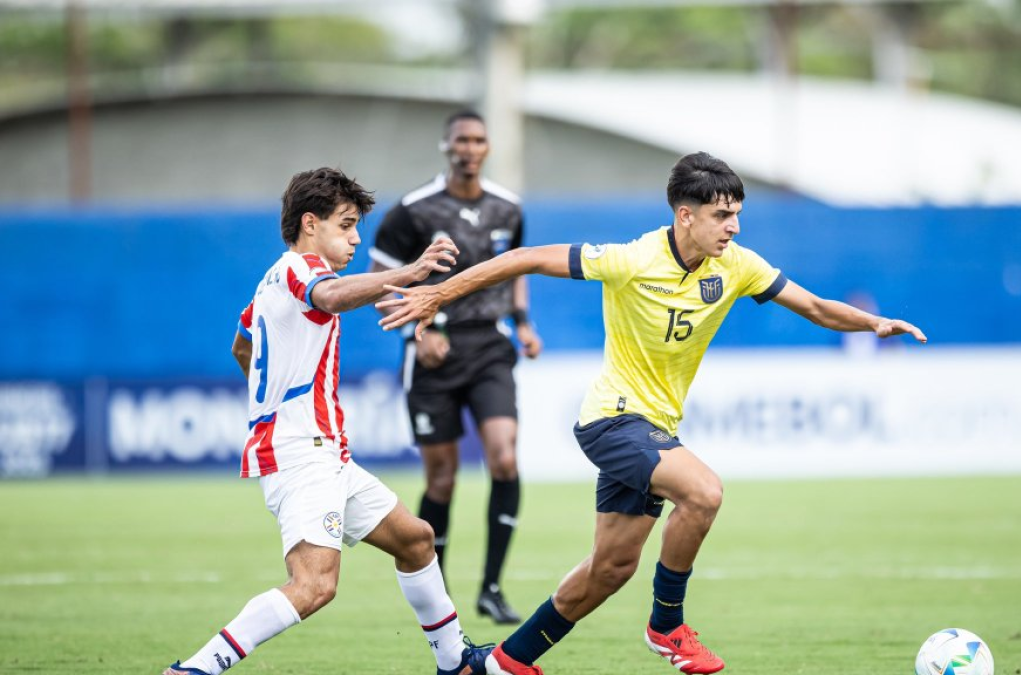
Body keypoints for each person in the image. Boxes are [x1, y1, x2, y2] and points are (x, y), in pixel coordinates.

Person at [375, 152, 927, 675]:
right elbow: (524, 258)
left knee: (609, 570)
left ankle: (502, 663)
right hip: (612, 421)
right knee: (704, 492)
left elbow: (813, 307)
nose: (733, 227)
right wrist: (437, 296)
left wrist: (872, 324)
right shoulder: (632, 260)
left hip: (653, 429)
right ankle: (667, 626)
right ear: (685, 216)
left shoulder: (736, 266)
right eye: (722, 216)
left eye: (737, 215)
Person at [162, 168, 493, 675]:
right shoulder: (299, 269)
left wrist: (268, 399)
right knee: (315, 585)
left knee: (417, 540)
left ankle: (454, 662)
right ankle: (196, 670)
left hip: (327, 454)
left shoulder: (271, 282)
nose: (356, 237)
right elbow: (332, 297)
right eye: (347, 225)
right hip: (301, 454)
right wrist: (410, 271)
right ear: (310, 224)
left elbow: (242, 344)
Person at [369, 110, 540, 624]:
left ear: (488, 148)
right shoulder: (413, 211)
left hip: (490, 347)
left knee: (504, 459)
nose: (470, 148)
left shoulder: (508, 208)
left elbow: (516, 270)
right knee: (441, 478)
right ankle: (436, 596)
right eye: (461, 140)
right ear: (446, 146)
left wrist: (523, 322)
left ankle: (491, 587)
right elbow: (379, 281)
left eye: (479, 140)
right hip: (432, 354)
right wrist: (414, 333)